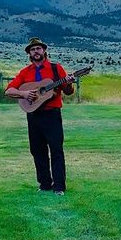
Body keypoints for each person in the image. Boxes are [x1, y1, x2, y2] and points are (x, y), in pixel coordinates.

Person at [5, 37, 74, 194]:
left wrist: (69, 82)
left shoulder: (56, 69)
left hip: (52, 115)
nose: (36, 51)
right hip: (34, 115)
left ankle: (59, 187)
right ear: (29, 53)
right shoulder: (25, 72)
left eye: (38, 48)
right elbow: (9, 91)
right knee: (37, 150)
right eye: (32, 49)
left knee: (56, 149)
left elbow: (68, 91)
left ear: (44, 51)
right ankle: (44, 184)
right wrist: (24, 93)